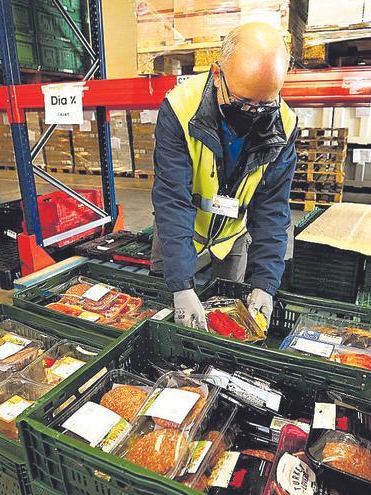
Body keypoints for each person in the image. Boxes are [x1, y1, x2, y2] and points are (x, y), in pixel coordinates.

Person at [150, 22, 298, 331]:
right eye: (243, 102)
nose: (252, 113)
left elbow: (272, 208)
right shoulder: (179, 109)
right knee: (169, 315)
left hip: (231, 239)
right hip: (182, 232)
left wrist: (265, 283)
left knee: (226, 321)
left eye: (264, 104)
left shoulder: (284, 123)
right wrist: (180, 285)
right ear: (217, 75)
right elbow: (172, 198)